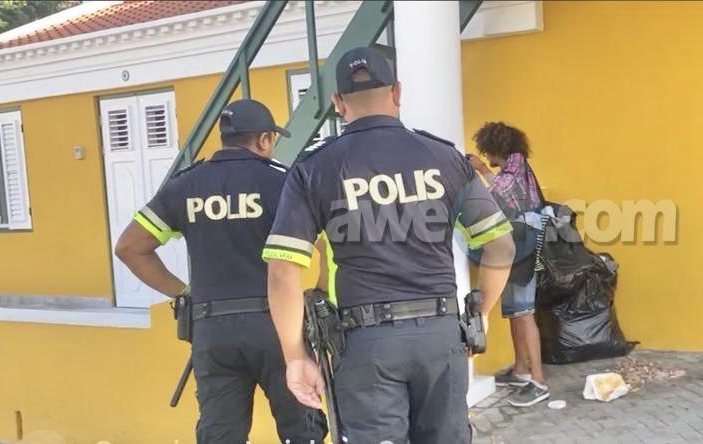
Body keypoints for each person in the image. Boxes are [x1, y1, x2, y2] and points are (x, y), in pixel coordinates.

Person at [264, 47, 516, 444]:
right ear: (397, 92)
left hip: (365, 346)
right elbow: (501, 245)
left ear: (338, 102)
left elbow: (282, 273)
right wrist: (480, 312)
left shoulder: (314, 169)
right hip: (441, 336)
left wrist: (295, 357)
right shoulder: (445, 158)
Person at [114, 99, 327, 443]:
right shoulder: (283, 182)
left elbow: (129, 247)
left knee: (220, 435)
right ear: (263, 140)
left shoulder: (186, 185)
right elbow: (327, 244)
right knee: (301, 430)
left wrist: (183, 293)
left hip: (211, 330)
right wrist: (320, 291)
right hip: (277, 327)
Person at [468, 122, 550, 407]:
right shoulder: (512, 167)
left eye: (486, 151)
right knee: (515, 311)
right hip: (517, 240)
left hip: (524, 241)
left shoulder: (515, 164)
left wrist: (480, 169)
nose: (485, 155)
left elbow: (499, 192)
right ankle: (521, 370)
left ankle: (539, 381)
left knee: (524, 312)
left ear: (495, 148)